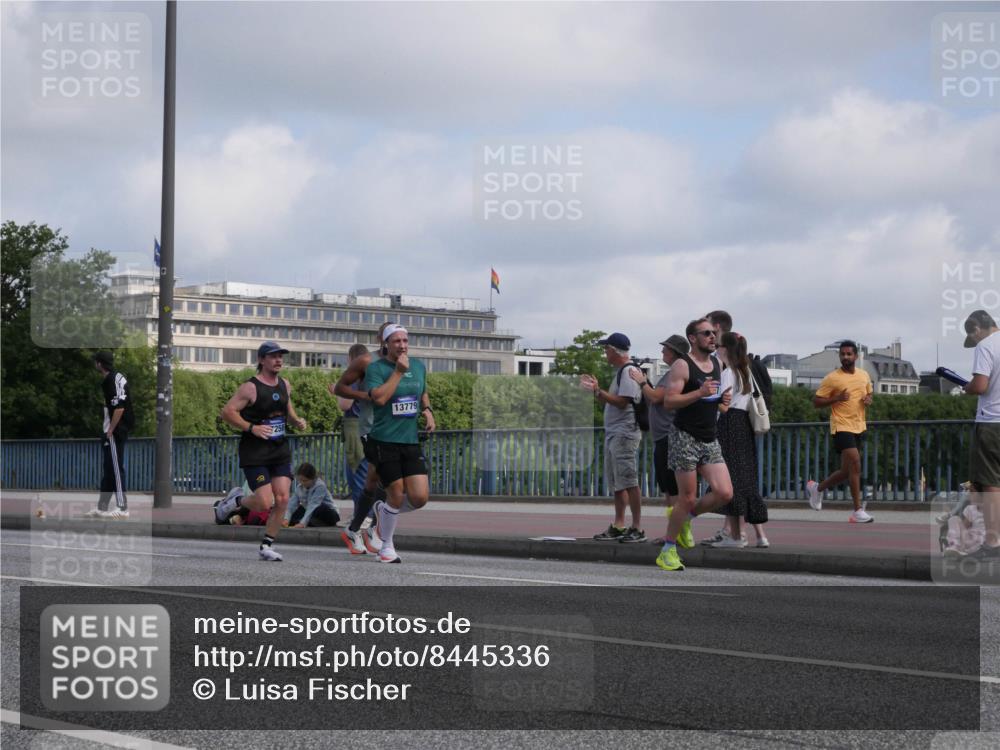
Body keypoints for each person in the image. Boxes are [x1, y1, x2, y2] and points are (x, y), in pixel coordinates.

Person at [657, 319, 735, 571]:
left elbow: (716, 403)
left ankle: (687, 519)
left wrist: (722, 400)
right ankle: (667, 550)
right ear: (692, 338)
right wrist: (699, 393)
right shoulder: (682, 365)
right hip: (684, 437)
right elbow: (669, 402)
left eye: (714, 333)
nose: (712, 337)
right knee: (687, 497)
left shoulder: (717, 363)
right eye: (706, 334)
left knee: (724, 493)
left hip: (709, 436)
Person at [219, 341, 308, 561]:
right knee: (263, 502)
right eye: (273, 356)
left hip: (279, 450)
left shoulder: (285, 384)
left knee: (283, 499)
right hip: (255, 452)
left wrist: (296, 421)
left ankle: (267, 546)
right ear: (261, 360)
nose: (278, 360)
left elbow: (286, 407)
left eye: (280, 356)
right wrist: (252, 428)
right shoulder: (250, 387)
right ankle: (236, 502)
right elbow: (227, 412)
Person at [365, 324, 436, 563]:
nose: (402, 345)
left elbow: (422, 390)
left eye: (405, 340)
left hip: (409, 440)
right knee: (395, 494)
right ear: (385, 343)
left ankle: (383, 512)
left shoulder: (417, 366)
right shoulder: (376, 369)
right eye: (396, 341)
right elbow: (380, 398)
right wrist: (397, 372)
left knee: (419, 498)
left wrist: (427, 410)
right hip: (384, 440)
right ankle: (387, 547)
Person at [333, 324, 394, 555]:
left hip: (358, 431)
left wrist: (339, 393)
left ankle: (361, 527)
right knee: (376, 482)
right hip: (376, 430)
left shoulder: (361, 372)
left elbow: (344, 404)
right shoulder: (382, 369)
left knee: (363, 481)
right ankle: (366, 528)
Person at [581, 332, 645, 543]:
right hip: (615, 433)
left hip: (625, 433)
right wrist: (597, 392)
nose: (605, 353)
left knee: (628, 479)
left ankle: (637, 527)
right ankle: (619, 524)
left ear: (615, 351)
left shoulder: (628, 372)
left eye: (606, 349)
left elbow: (622, 402)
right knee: (618, 482)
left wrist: (599, 390)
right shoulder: (620, 372)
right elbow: (612, 402)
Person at [806, 340, 874, 523]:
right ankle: (858, 510)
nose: (845, 357)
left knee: (847, 471)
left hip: (859, 426)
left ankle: (817, 489)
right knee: (856, 463)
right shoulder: (832, 378)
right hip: (841, 425)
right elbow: (816, 401)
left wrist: (869, 399)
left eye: (849, 354)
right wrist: (837, 398)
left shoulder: (864, 375)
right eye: (842, 354)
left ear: (855, 356)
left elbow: (869, 393)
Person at [629, 334, 687, 545]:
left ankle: (675, 534)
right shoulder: (672, 373)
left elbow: (655, 397)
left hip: (667, 436)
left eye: (666, 349)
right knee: (669, 487)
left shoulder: (673, 374)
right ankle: (675, 532)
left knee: (672, 489)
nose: (662, 353)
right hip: (664, 436)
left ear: (675, 352)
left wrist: (642, 381)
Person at [714, 332, 769, 548]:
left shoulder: (728, 374)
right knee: (745, 476)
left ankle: (736, 536)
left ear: (725, 348)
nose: (716, 349)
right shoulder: (746, 371)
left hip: (729, 425)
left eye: (718, 346)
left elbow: (723, 406)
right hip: (744, 425)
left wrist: (708, 400)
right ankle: (759, 535)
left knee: (731, 478)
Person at [962, 310, 1000, 559]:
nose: (974, 342)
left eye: (972, 337)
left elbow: (980, 385)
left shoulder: (986, 346)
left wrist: (966, 386)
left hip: (991, 422)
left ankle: (993, 543)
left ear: (976, 328)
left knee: (991, 484)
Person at [84, 351, 134, 519]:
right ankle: (102, 507)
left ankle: (123, 507)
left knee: (116, 469)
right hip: (114, 429)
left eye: (96, 362)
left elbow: (119, 408)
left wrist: (111, 430)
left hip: (115, 431)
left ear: (99, 364)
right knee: (108, 470)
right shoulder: (117, 377)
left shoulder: (110, 381)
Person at [333, 344, 372, 532]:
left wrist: (335, 390)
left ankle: (363, 516)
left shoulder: (355, 375)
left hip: (354, 427)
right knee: (366, 474)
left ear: (351, 358)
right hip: (367, 425)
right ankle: (362, 514)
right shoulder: (372, 373)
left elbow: (345, 404)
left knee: (357, 474)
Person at [285, 463, 341, 528]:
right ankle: (311, 522)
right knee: (296, 511)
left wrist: (302, 523)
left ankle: (309, 522)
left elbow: (313, 505)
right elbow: (292, 504)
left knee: (318, 508)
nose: (302, 483)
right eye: (300, 480)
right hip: (311, 512)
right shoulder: (299, 487)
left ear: (313, 478)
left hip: (328, 513)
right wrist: (286, 519)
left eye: (305, 480)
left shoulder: (320, 486)